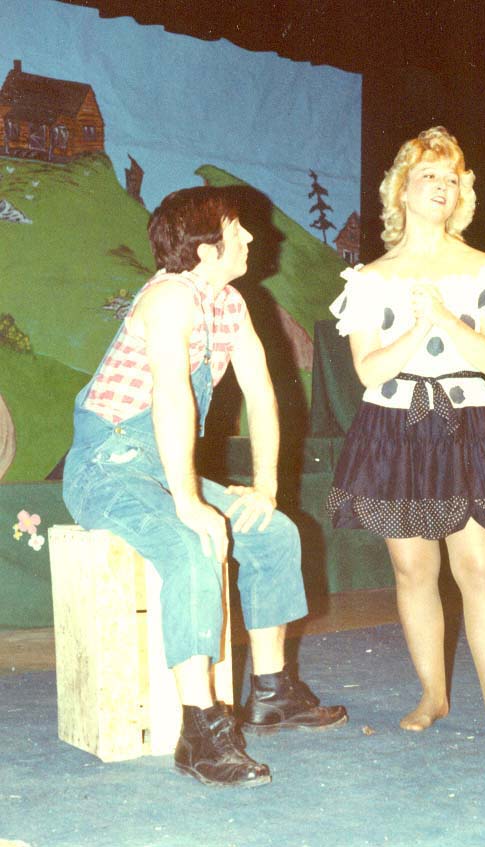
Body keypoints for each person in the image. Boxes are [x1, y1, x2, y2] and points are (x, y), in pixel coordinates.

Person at [63, 186, 347, 789]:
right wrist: (190, 501)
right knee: (190, 543)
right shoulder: (169, 298)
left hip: (162, 463)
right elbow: (172, 395)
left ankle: (272, 692)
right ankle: (199, 728)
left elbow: (263, 394)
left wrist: (264, 488)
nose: (251, 237)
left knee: (273, 531)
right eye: (238, 229)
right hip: (108, 466)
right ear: (206, 245)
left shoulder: (230, 303)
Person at [326, 127, 485, 749]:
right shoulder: (369, 279)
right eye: (428, 175)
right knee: (412, 567)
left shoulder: (484, 271)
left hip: (465, 422)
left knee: (480, 565)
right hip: (394, 425)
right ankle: (433, 694)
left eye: (451, 178)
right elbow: (369, 371)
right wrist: (415, 331)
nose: (441, 187)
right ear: (401, 189)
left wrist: (445, 318)